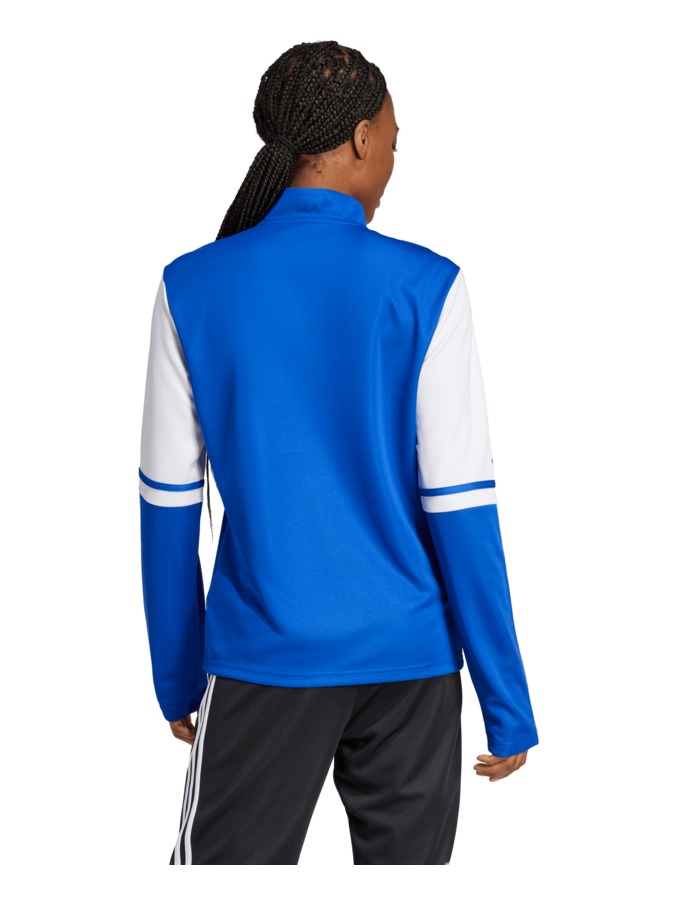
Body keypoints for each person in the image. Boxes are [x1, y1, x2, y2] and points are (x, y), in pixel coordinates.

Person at [138, 40, 539, 866]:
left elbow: (168, 506)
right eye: (393, 139)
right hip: (411, 665)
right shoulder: (427, 286)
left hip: (263, 659)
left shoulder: (191, 285)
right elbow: (461, 509)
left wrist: (177, 677)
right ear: (359, 139)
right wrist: (505, 702)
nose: (391, 160)